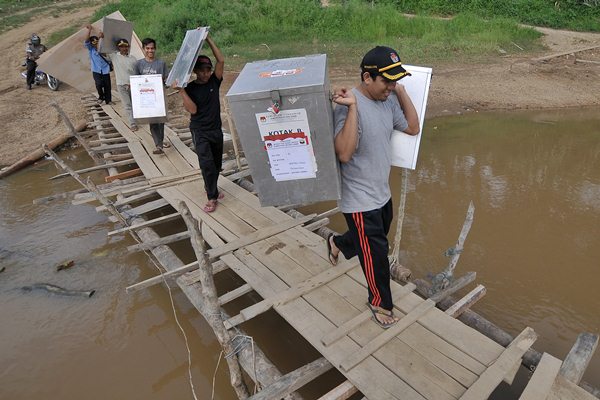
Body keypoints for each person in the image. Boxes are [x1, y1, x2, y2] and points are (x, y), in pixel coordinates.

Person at [327, 45, 420, 329]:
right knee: (377, 253)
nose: (390, 87)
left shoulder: (389, 99)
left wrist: (401, 92)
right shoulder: (346, 104)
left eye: (395, 81)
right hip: (359, 199)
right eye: (386, 81)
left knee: (370, 240)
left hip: (382, 192)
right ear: (367, 77)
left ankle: (337, 243)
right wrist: (353, 107)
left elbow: (413, 128)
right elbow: (343, 153)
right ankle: (380, 302)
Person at [174, 34, 225, 213]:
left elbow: (221, 60)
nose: (206, 73)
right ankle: (211, 197)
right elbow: (193, 110)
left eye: (208, 70)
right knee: (207, 164)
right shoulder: (190, 88)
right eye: (202, 70)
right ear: (195, 71)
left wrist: (208, 39)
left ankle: (211, 187)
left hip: (216, 130)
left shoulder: (214, 82)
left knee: (217, 164)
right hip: (200, 131)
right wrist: (181, 91)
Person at [134, 37, 169, 154]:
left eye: (152, 48)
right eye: (148, 48)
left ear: (155, 49)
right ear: (143, 49)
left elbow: (166, 81)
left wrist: (168, 82)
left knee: (161, 122)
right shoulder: (138, 64)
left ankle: (160, 141)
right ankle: (158, 145)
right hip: (147, 99)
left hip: (159, 98)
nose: (150, 51)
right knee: (153, 122)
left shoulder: (161, 63)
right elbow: (136, 83)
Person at [106, 38, 138, 131]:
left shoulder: (133, 58)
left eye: (125, 46)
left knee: (135, 104)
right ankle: (133, 124)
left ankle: (138, 119)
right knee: (127, 105)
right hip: (121, 85)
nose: (124, 48)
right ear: (118, 48)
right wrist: (101, 38)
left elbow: (136, 72)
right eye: (121, 47)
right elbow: (101, 51)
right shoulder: (114, 57)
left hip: (133, 84)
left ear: (128, 47)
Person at [84, 25, 112, 104]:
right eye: (94, 42)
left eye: (97, 42)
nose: (96, 44)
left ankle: (108, 100)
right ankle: (101, 97)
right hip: (96, 70)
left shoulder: (103, 48)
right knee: (98, 84)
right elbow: (86, 41)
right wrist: (89, 30)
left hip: (105, 69)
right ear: (91, 44)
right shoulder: (91, 49)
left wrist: (101, 37)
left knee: (107, 85)